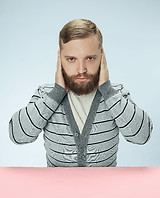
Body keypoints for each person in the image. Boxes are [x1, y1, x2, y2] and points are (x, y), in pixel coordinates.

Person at [9, 19, 153, 167]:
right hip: (55, 188)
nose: (81, 70)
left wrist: (107, 90)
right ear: (60, 59)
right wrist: (56, 93)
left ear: (102, 57)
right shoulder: (46, 94)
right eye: (71, 59)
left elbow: (142, 136)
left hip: (106, 188)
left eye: (90, 58)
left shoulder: (116, 95)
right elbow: (17, 136)